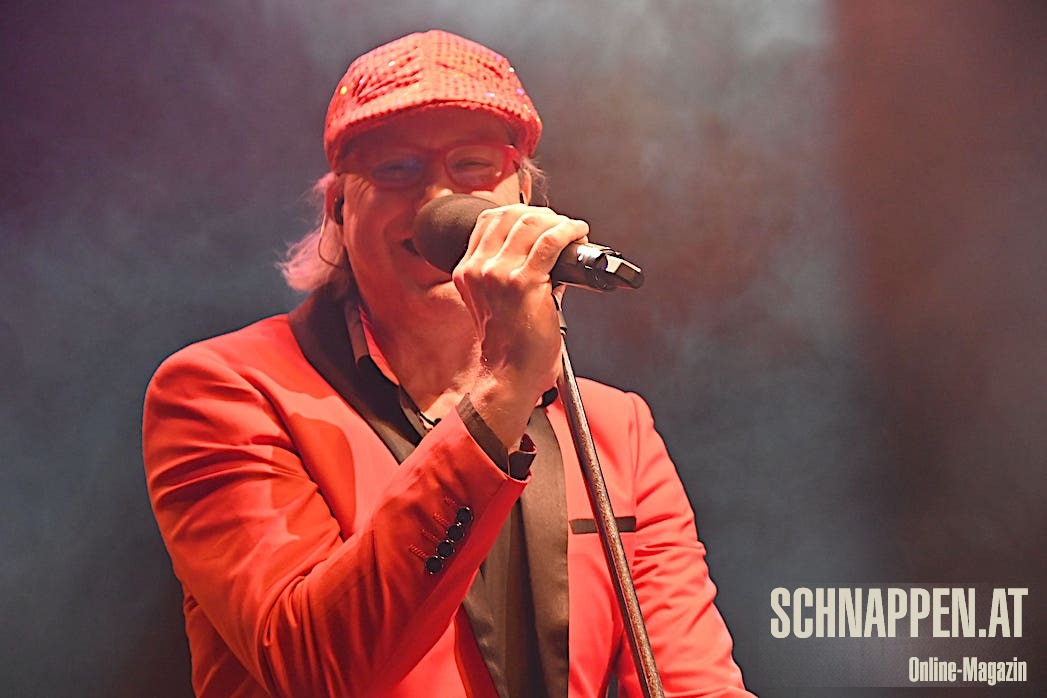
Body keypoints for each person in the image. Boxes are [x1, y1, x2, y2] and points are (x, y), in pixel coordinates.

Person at [143, 29, 753, 698]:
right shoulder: (225, 391)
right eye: (396, 169)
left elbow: (693, 681)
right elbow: (316, 670)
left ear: (525, 199)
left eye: (472, 165)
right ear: (338, 208)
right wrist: (501, 390)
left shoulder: (617, 429)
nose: (438, 200)